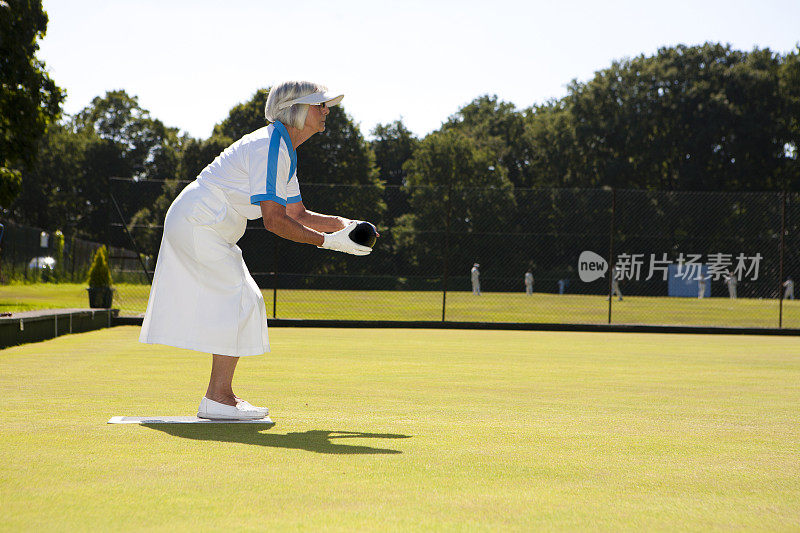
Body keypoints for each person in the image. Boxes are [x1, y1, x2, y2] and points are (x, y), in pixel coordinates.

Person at [139, 81, 374, 420]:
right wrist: (328, 242)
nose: (326, 111)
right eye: (319, 104)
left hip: (208, 224)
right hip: (199, 222)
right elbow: (274, 221)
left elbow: (298, 214)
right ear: (295, 108)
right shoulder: (270, 148)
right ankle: (219, 398)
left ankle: (219, 397)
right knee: (243, 297)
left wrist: (344, 225)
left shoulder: (282, 149)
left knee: (244, 299)